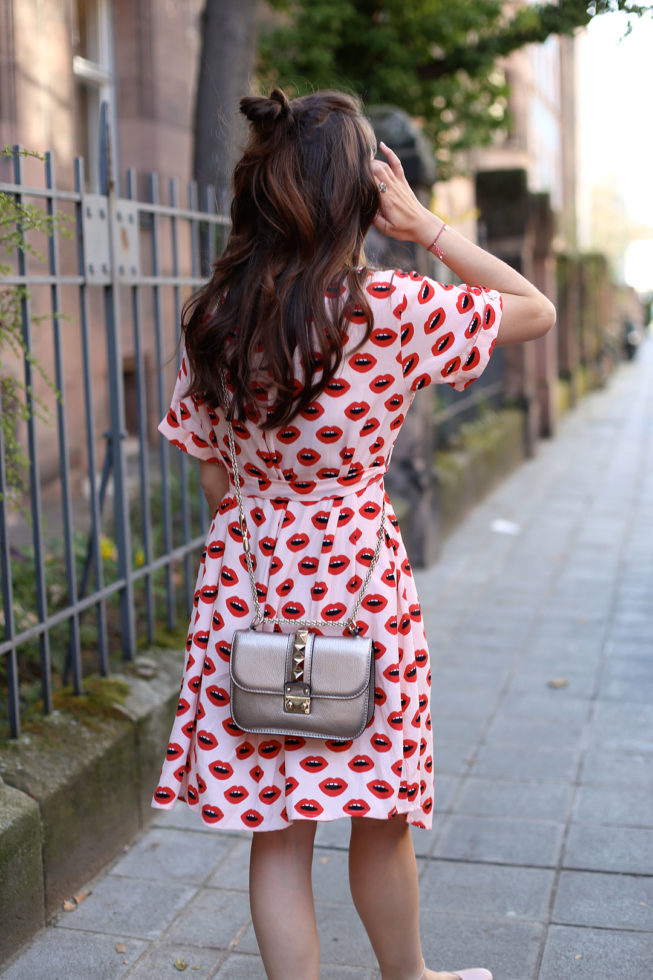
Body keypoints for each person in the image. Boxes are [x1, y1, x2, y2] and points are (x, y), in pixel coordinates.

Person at [152, 88, 555, 980]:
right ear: (361, 198)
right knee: (379, 810)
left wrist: (269, 510)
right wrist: (428, 229)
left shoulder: (213, 318)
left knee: (279, 832)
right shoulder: (395, 309)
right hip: (358, 580)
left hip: (248, 581)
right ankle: (405, 979)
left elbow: (213, 473)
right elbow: (534, 310)